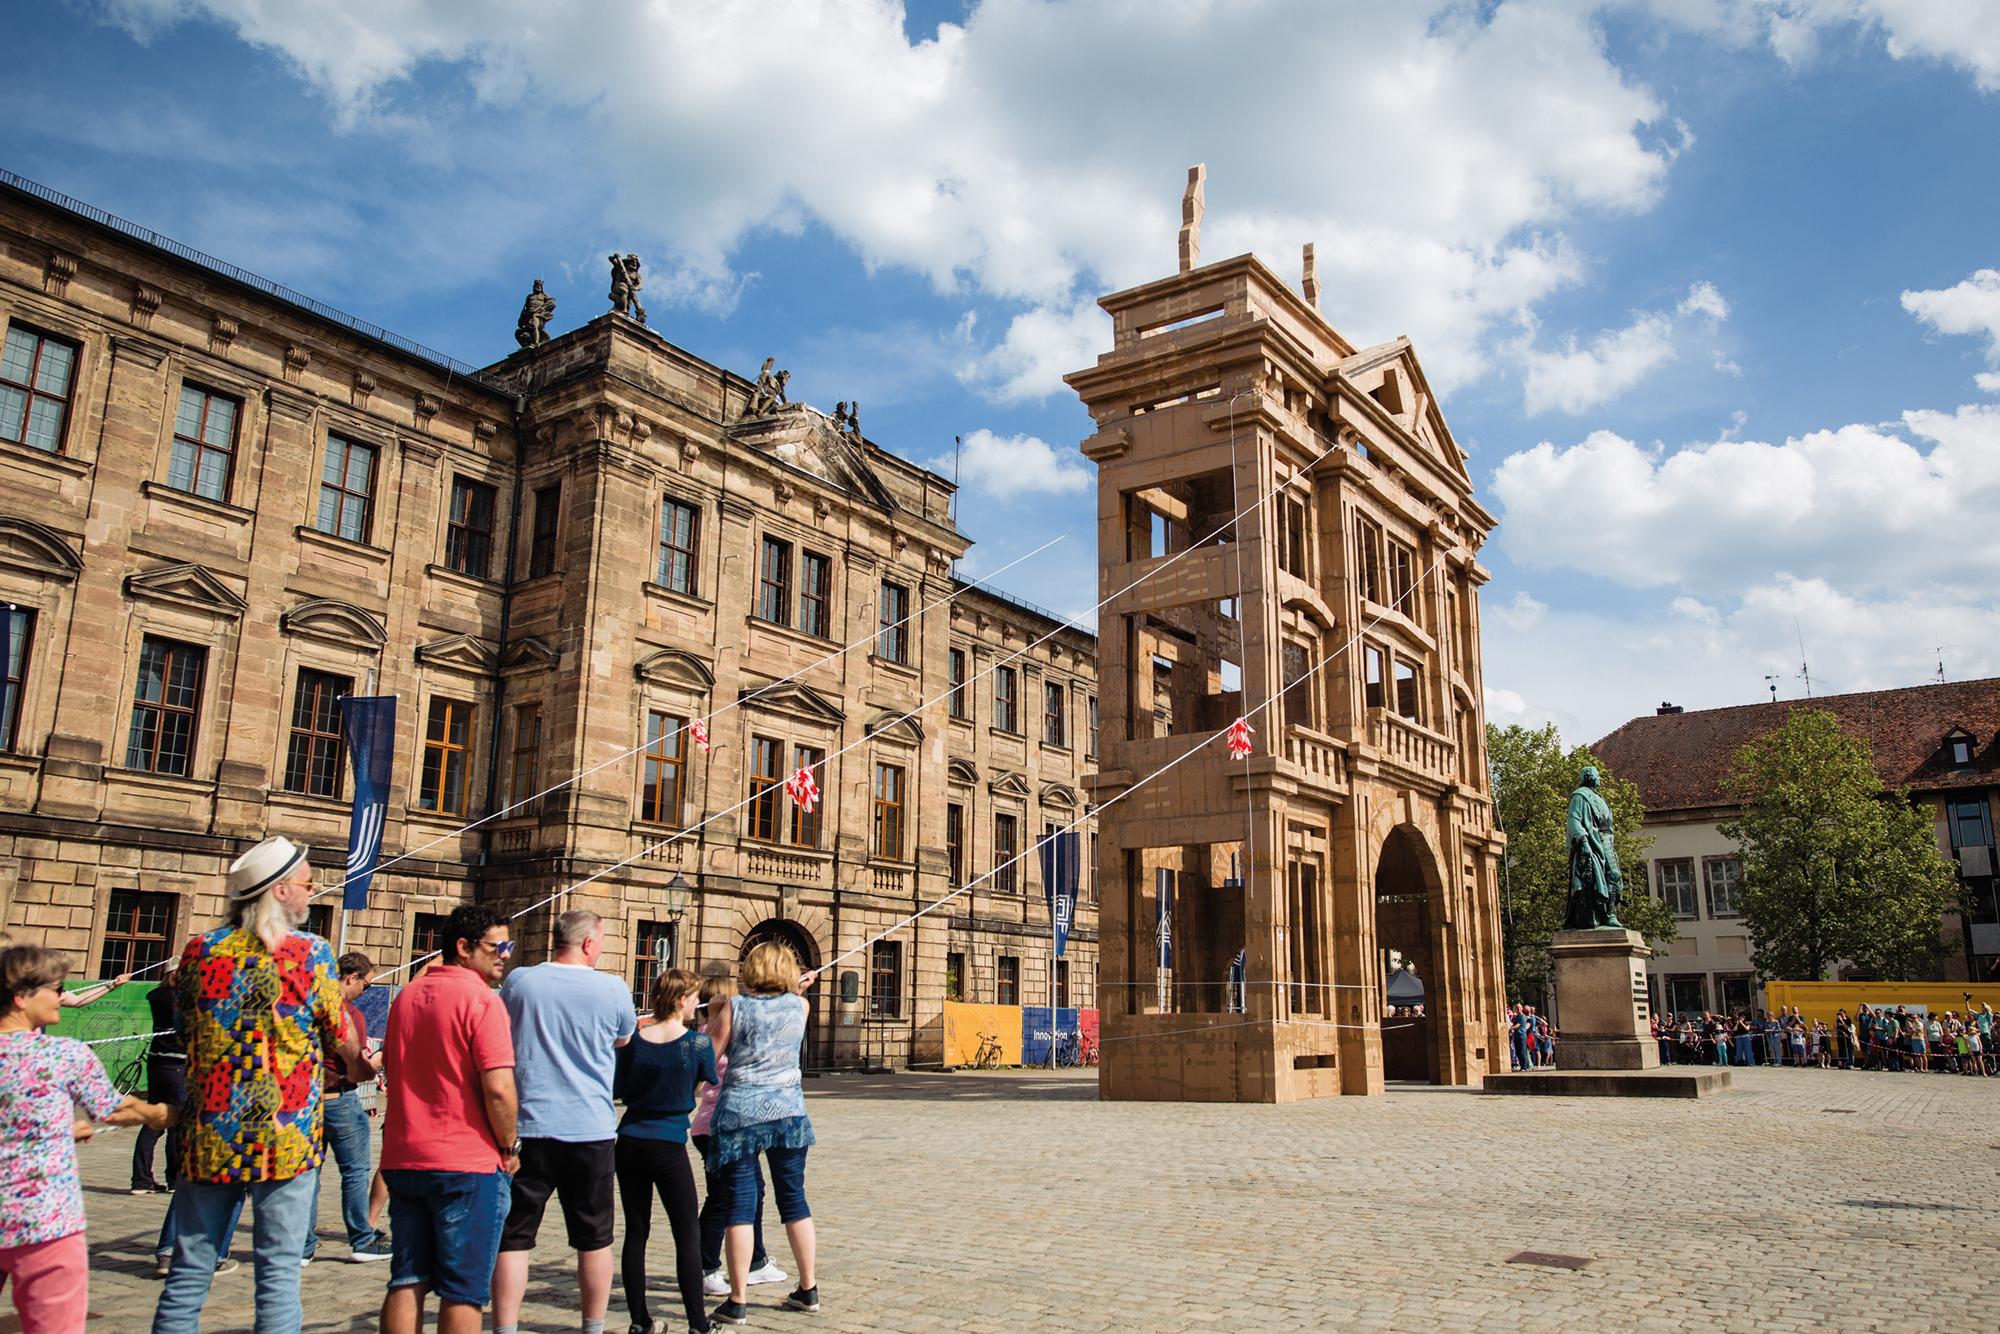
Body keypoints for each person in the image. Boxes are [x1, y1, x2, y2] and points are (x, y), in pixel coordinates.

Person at [151, 836, 366, 1334]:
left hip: (211, 1132)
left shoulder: (200, 949)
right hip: (284, 1135)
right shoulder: (310, 952)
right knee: (277, 1276)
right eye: (309, 884)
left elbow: (185, 1026)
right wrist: (357, 1066)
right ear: (282, 891)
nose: (313, 894)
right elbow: (340, 1034)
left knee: (187, 1274)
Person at [0, 945, 174, 1333]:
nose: (61, 995)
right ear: (21, 998)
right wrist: (159, 1113)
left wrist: (60, 1129)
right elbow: (114, 1109)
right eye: (55, 988)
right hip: (44, 1223)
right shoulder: (63, 1054)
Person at [490, 910, 636, 1334]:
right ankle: (592, 1326)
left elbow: (503, 1027)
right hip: (589, 1128)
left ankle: (504, 1327)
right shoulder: (612, 988)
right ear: (589, 943)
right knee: (594, 1238)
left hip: (527, 1126)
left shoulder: (520, 981)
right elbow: (623, 1038)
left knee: (514, 1236)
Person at [379, 904, 520, 1334]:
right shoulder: (481, 1001)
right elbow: (499, 1089)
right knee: (464, 1290)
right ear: (463, 947)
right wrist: (509, 1144)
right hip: (465, 1162)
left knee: (406, 1279)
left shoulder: (406, 996)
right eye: (497, 947)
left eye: (508, 946)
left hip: (403, 1157)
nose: (506, 955)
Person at [706, 944, 820, 1326]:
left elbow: (709, 1060)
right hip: (789, 1112)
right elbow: (791, 1003)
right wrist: (797, 990)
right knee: (794, 1201)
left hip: (741, 1113)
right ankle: (808, 1287)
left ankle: (737, 1299)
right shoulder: (800, 1008)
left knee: (740, 1204)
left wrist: (711, 1017)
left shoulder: (734, 1008)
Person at [614, 968, 718, 1334]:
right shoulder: (696, 1044)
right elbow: (707, 1078)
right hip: (669, 1144)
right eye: (693, 997)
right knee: (686, 1232)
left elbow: (619, 1085)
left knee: (636, 1231)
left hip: (628, 1141)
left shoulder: (635, 1042)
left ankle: (640, 1321)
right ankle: (697, 1324)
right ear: (679, 1001)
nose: (697, 1003)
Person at [692, 972, 781, 1298]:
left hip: (733, 1127)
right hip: (716, 1129)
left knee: (751, 1191)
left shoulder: (719, 1032)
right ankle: (704, 1267)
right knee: (723, 1198)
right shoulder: (712, 1037)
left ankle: (755, 1261)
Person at [305, 952, 391, 1264]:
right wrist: (375, 1064)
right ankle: (363, 1238)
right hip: (340, 1098)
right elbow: (356, 1066)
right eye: (366, 985)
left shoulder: (308, 1007)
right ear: (351, 977)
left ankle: (303, 1244)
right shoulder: (348, 1014)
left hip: (309, 1102)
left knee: (310, 1173)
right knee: (355, 1171)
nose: (364, 992)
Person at [131, 966, 183, 1195]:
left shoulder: (154, 995)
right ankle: (174, 1179)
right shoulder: (182, 997)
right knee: (175, 1122)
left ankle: (141, 1180)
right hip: (177, 1064)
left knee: (153, 1120)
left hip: (156, 1063)